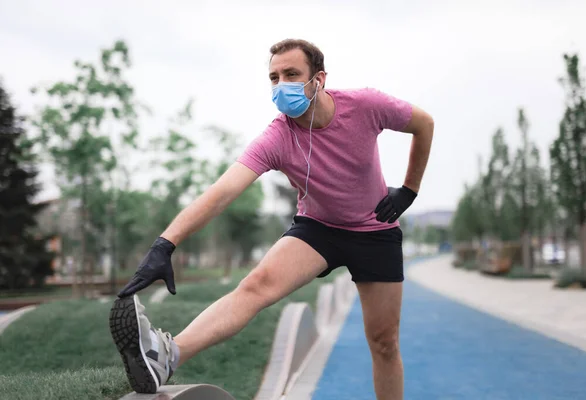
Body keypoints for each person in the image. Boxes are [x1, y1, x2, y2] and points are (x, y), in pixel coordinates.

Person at [109, 38, 434, 400]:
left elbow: (424, 124)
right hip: (319, 229)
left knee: (384, 342)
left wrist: (409, 190)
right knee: (256, 284)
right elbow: (221, 193)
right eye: (274, 77)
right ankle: (166, 355)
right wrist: (165, 243)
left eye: (292, 74)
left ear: (319, 79)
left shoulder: (365, 105)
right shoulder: (278, 136)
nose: (282, 86)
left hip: (375, 231)